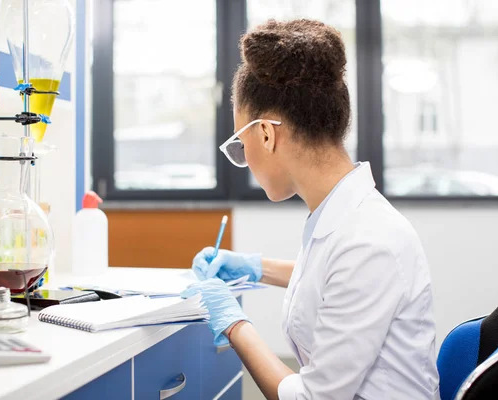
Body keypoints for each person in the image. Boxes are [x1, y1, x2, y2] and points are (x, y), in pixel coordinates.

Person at [181, 19, 440, 400]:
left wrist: (234, 324)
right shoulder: (347, 217)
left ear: (267, 134)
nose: (245, 160)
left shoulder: (368, 242)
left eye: (241, 144)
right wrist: (257, 268)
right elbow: (332, 279)